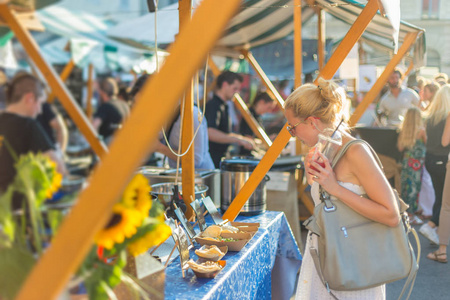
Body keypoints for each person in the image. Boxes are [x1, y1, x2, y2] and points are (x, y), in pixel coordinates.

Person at [285, 78, 399, 299]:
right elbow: (329, 201)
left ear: (312, 121)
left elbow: (391, 214)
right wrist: (313, 177)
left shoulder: (356, 152)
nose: (293, 134)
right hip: (328, 257)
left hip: (354, 264)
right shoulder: (325, 147)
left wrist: (334, 187)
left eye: (292, 127)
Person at [0, 73, 66, 208]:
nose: (40, 110)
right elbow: (59, 170)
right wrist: (59, 154)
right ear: (29, 98)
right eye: (40, 103)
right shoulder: (28, 125)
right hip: (16, 212)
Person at [419, 84, 450, 245]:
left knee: (440, 197)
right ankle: (431, 225)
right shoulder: (446, 117)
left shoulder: (431, 116)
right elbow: (445, 143)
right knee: (445, 200)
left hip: (430, 159)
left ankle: (436, 231)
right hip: (442, 160)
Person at [205, 71, 255, 168]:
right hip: (212, 161)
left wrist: (242, 139)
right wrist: (238, 140)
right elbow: (209, 132)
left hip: (220, 159)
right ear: (225, 85)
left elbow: (224, 133)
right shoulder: (213, 106)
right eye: (235, 88)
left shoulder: (224, 105)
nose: (237, 92)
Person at [397, 107, 427, 224]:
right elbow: (427, 145)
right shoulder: (421, 131)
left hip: (406, 162)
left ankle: (405, 213)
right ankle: (411, 215)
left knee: (405, 186)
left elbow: (400, 148)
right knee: (415, 188)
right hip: (417, 163)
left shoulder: (403, 130)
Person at [92, 77, 130, 144]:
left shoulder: (105, 107)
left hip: (109, 148)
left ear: (102, 92)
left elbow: (94, 126)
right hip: (125, 144)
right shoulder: (124, 105)